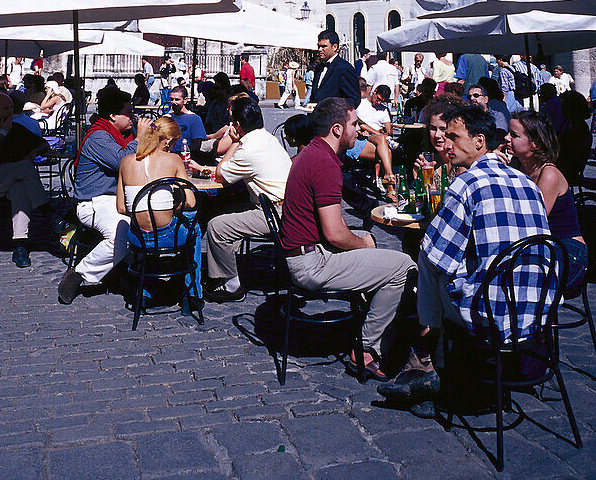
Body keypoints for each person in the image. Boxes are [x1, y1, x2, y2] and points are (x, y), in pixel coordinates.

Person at [383, 103, 551, 406]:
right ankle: (429, 357)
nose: (447, 145)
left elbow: (435, 255)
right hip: (536, 315)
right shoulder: (528, 182)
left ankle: (423, 357)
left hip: (489, 316)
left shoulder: (467, 182)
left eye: (454, 137)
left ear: (478, 141)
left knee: (427, 259)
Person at [280, 97, 415, 379]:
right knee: (404, 266)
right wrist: (363, 243)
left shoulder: (313, 153)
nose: (360, 131)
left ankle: (375, 320)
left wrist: (361, 240)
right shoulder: (325, 163)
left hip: (304, 252)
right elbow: (334, 233)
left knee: (369, 239)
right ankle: (366, 348)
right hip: (310, 263)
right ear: (338, 129)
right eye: (355, 125)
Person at [195, 93, 291, 303]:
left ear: (237, 125)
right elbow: (233, 170)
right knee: (225, 210)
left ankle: (231, 284)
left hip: (275, 213)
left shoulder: (247, 148)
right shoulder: (267, 138)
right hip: (284, 206)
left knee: (217, 226)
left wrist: (234, 144)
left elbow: (221, 173)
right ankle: (224, 267)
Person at [57, 88, 148, 304]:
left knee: (150, 222)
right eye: (128, 112)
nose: (133, 116)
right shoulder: (99, 137)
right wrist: (141, 138)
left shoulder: (122, 135)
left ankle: (129, 272)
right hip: (95, 201)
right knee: (122, 235)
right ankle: (79, 274)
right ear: (113, 116)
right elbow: (125, 161)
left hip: (118, 197)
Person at [0, 92, 62, 266]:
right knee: (23, 169)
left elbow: (43, 143)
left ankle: (20, 245)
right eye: (5, 109)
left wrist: (32, 153)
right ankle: (47, 211)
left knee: (19, 189)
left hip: (10, 180)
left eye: (11, 108)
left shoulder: (16, 128)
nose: (9, 112)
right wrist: (2, 133)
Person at [116, 115, 201, 301]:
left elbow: (122, 208)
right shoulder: (173, 159)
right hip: (166, 234)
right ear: (168, 141)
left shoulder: (126, 161)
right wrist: (172, 206)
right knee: (195, 225)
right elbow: (191, 202)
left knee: (151, 232)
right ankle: (193, 292)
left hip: (138, 237)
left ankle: (145, 292)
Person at [505, 112, 588, 292]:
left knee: (510, 275)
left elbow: (533, 222)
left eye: (514, 135)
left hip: (568, 253)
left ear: (534, 143)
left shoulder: (548, 174)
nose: (506, 138)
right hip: (542, 246)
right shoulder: (516, 166)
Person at [309, 30, 361, 110]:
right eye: (318, 46)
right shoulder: (318, 68)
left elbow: (353, 99)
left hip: (334, 119)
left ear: (335, 47)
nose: (319, 49)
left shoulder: (344, 68)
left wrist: (334, 110)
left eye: (323, 46)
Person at [557, 90, 592, 186]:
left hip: (568, 169)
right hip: (568, 166)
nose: (561, 109)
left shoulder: (577, 128)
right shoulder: (570, 123)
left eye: (564, 106)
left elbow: (565, 152)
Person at [169, 86, 206, 156]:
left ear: (185, 100)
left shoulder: (194, 119)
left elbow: (196, 145)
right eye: (171, 99)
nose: (173, 102)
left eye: (177, 99)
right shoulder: (167, 117)